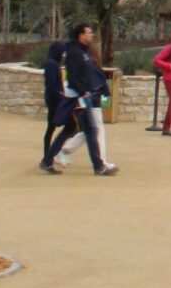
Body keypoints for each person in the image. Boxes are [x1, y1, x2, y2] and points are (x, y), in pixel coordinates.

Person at [42, 23, 117, 176]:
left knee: (70, 129)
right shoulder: (75, 53)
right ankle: (99, 166)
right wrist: (83, 92)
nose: (91, 35)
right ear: (81, 35)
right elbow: (74, 77)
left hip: (81, 97)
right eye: (89, 33)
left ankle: (47, 160)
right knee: (91, 131)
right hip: (78, 99)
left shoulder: (82, 52)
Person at [41, 37, 74, 167]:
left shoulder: (53, 63)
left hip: (55, 100)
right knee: (67, 127)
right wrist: (61, 97)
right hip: (55, 102)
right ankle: (51, 155)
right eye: (63, 51)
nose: (64, 54)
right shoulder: (51, 64)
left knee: (52, 129)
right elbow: (52, 85)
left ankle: (49, 155)